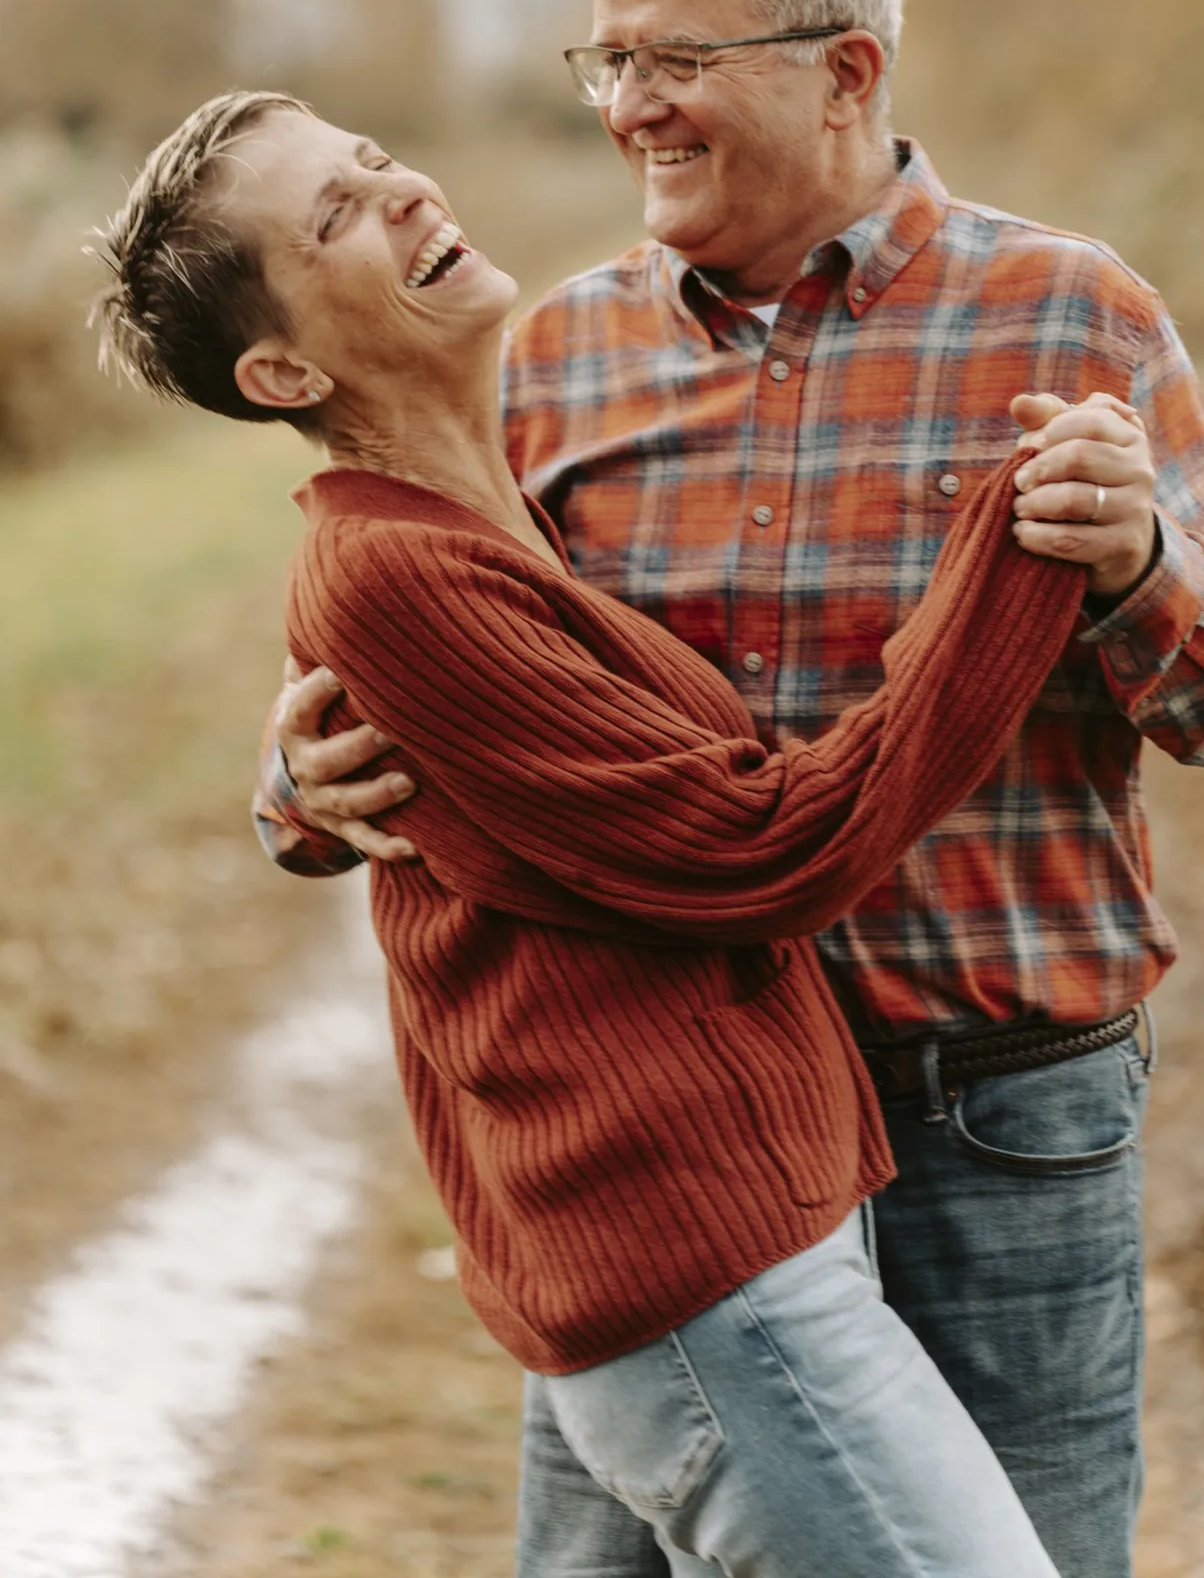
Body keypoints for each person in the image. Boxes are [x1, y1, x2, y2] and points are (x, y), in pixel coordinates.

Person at [260, 0, 1204, 1578]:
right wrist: (296, 786)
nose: (630, 107)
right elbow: (418, 691)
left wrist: (1143, 562)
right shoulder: (552, 364)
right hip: (670, 1147)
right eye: (606, 60)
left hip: (991, 1116)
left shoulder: (1067, 315)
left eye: (675, 59)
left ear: (846, 71)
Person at [93, 88, 1088, 1577]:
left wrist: (304, 791)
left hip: (743, 1229)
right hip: (707, 1276)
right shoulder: (393, 574)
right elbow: (758, 848)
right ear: (283, 365)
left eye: (374, 161)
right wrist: (1027, 539)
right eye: (337, 216)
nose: (406, 191)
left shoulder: (480, 508)